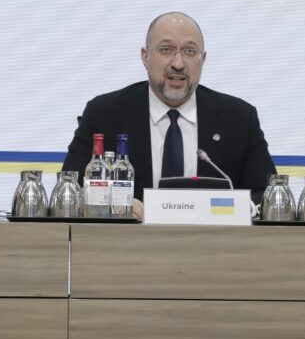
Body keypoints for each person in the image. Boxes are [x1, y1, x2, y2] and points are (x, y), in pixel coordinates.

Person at [62, 12, 277, 217]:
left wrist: (236, 210)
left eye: (190, 52)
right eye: (166, 50)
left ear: (203, 59)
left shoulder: (238, 117)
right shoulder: (105, 113)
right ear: (145, 57)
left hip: (213, 246)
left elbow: (267, 195)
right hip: (129, 247)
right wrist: (113, 203)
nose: (178, 63)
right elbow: (70, 189)